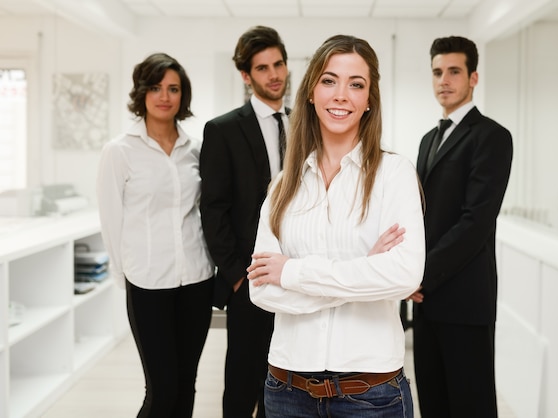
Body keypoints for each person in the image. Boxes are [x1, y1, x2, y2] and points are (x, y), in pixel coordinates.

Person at [246, 34, 425, 417]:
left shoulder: (394, 174)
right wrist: (363, 271)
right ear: (311, 92)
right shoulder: (283, 186)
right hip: (286, 389)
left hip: (371, 395)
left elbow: (405, 275)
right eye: (329, 80)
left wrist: (292, 271)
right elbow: (260, 290)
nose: (341, 95)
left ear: (369, 100)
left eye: (356, 84)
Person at [96, 52, 215, 417]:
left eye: (173, 88)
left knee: (186, 385)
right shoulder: (119, 151)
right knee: (161, 391)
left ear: (183, 95)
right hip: (147, 283)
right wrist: (123, 274)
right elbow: (110, 220)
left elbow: (203, 213)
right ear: (141, 93)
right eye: (155, 87)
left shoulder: (195, 149)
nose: (165, 96)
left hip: (196, 279)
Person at [409, 35, 513, 418]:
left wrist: (422, 273)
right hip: (426, 299)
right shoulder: (427, 140)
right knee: (433, 402)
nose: (444, 80)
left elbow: (476, 221)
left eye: (454, 71)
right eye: (437, 72)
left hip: (466, 297)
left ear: (473, 78)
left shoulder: (492, 137)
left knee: (471, 404)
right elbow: (421, 216)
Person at [199, 25, 289, 418]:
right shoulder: (222, 130)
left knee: (286, 380)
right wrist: (236, 277)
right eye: (263, 67)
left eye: (279, 64)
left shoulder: (307, 124)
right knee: (242, 381)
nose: (274, 74)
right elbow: (213, 208)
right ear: (246, 76)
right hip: (249, 280)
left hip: (297, 275)